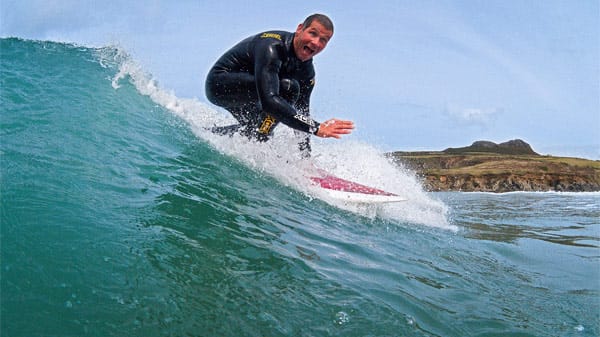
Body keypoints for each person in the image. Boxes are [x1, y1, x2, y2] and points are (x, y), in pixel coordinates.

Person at [205, 13, 354, 156]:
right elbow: (270, 101)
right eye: (313, 33)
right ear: (300, 28)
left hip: (255, 94)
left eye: (323, 40)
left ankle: (210, 134)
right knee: (287, 88)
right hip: (220, 85)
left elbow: (302, 112)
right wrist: (316, 127)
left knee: (258, 127)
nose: (316, 42)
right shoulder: (272, 47)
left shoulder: (307, 72)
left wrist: (305, 158)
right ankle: (258, 138)